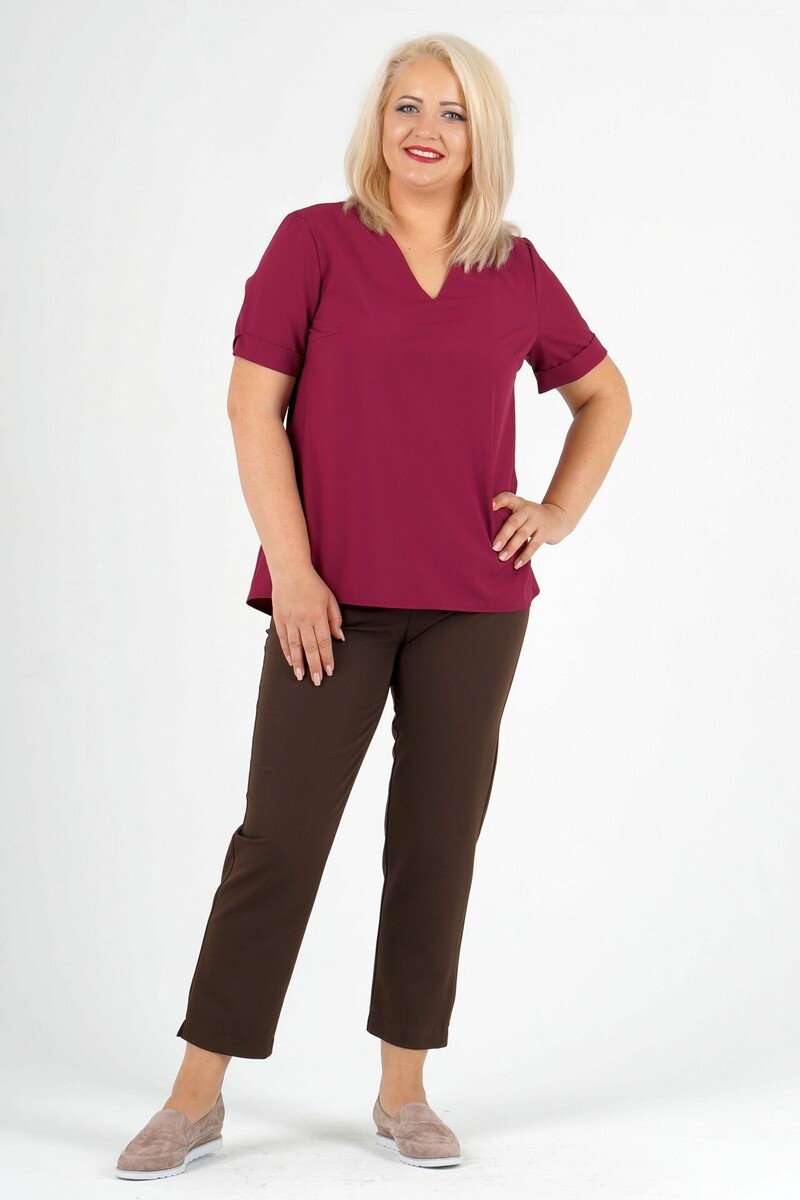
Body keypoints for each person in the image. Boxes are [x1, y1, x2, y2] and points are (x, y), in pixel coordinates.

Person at [115, 31, 631, 1180]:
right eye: (407, 106)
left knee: (434, 843)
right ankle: (195, 1098)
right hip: (330, 602)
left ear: (479, 138)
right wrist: (293, 570)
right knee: (280, 840)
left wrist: (555, 510)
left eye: (451, 113)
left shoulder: (515, 267)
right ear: (378, 122)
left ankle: (404, 1093)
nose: (425, 129)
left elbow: (603, 396)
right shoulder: (313, 242)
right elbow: (252, 410)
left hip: (474, 606)